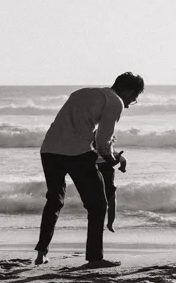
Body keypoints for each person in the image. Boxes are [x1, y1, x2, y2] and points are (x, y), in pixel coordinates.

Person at [34, 74, 145, 267]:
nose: (128, 105)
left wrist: (111, 154)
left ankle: (42, 253)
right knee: (98, 205)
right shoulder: (115, 101)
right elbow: (103, 140)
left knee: (54, 200)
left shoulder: (83, 93)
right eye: (133, 99)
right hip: (77, 153)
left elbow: (79, 129)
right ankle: (94, 258)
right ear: (128, 92)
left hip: (49, 149)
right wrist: (112, 159)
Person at [98, 150, 126, 233]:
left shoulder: (92, 152)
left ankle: (104, 224)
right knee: (112, 204)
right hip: (108, 183)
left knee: (100, 205)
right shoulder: (110, 152)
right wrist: (122, 168)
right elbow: (123, 160)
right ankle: (109, 224)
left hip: (98, 183)